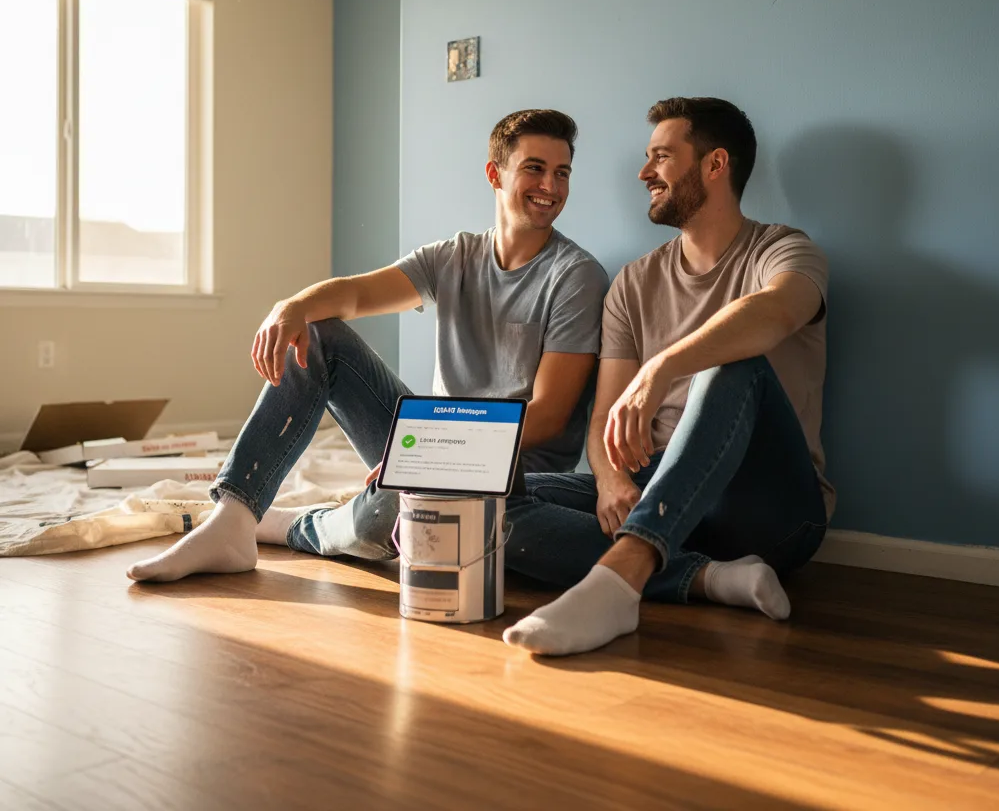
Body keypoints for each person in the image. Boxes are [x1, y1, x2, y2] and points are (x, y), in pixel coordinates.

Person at [127, 109, 608, 583]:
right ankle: (233, 519)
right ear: (495, 174)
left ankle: (296, 526)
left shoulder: (575, 277)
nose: (551, 186)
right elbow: (355, 295)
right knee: (320, 333)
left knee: (384, 516)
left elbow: (547, 417)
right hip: (429, 448)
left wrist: (428, 456)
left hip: (509, 474)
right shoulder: (454, 256)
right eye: (535, 168)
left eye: (562, 172)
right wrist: (290, 307)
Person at [502, 97, 833, 656]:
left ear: (714, 165)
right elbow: (606, 416)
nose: (643, 172)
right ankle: (708, 578)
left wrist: (664, 366)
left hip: (766, 508)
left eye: (660, 156)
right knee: (484, 499)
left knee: (735, 364)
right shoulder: (633, 284)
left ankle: (617, 581)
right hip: (657, 495)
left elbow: (776, 312)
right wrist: (609, 481)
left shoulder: (783, 250)